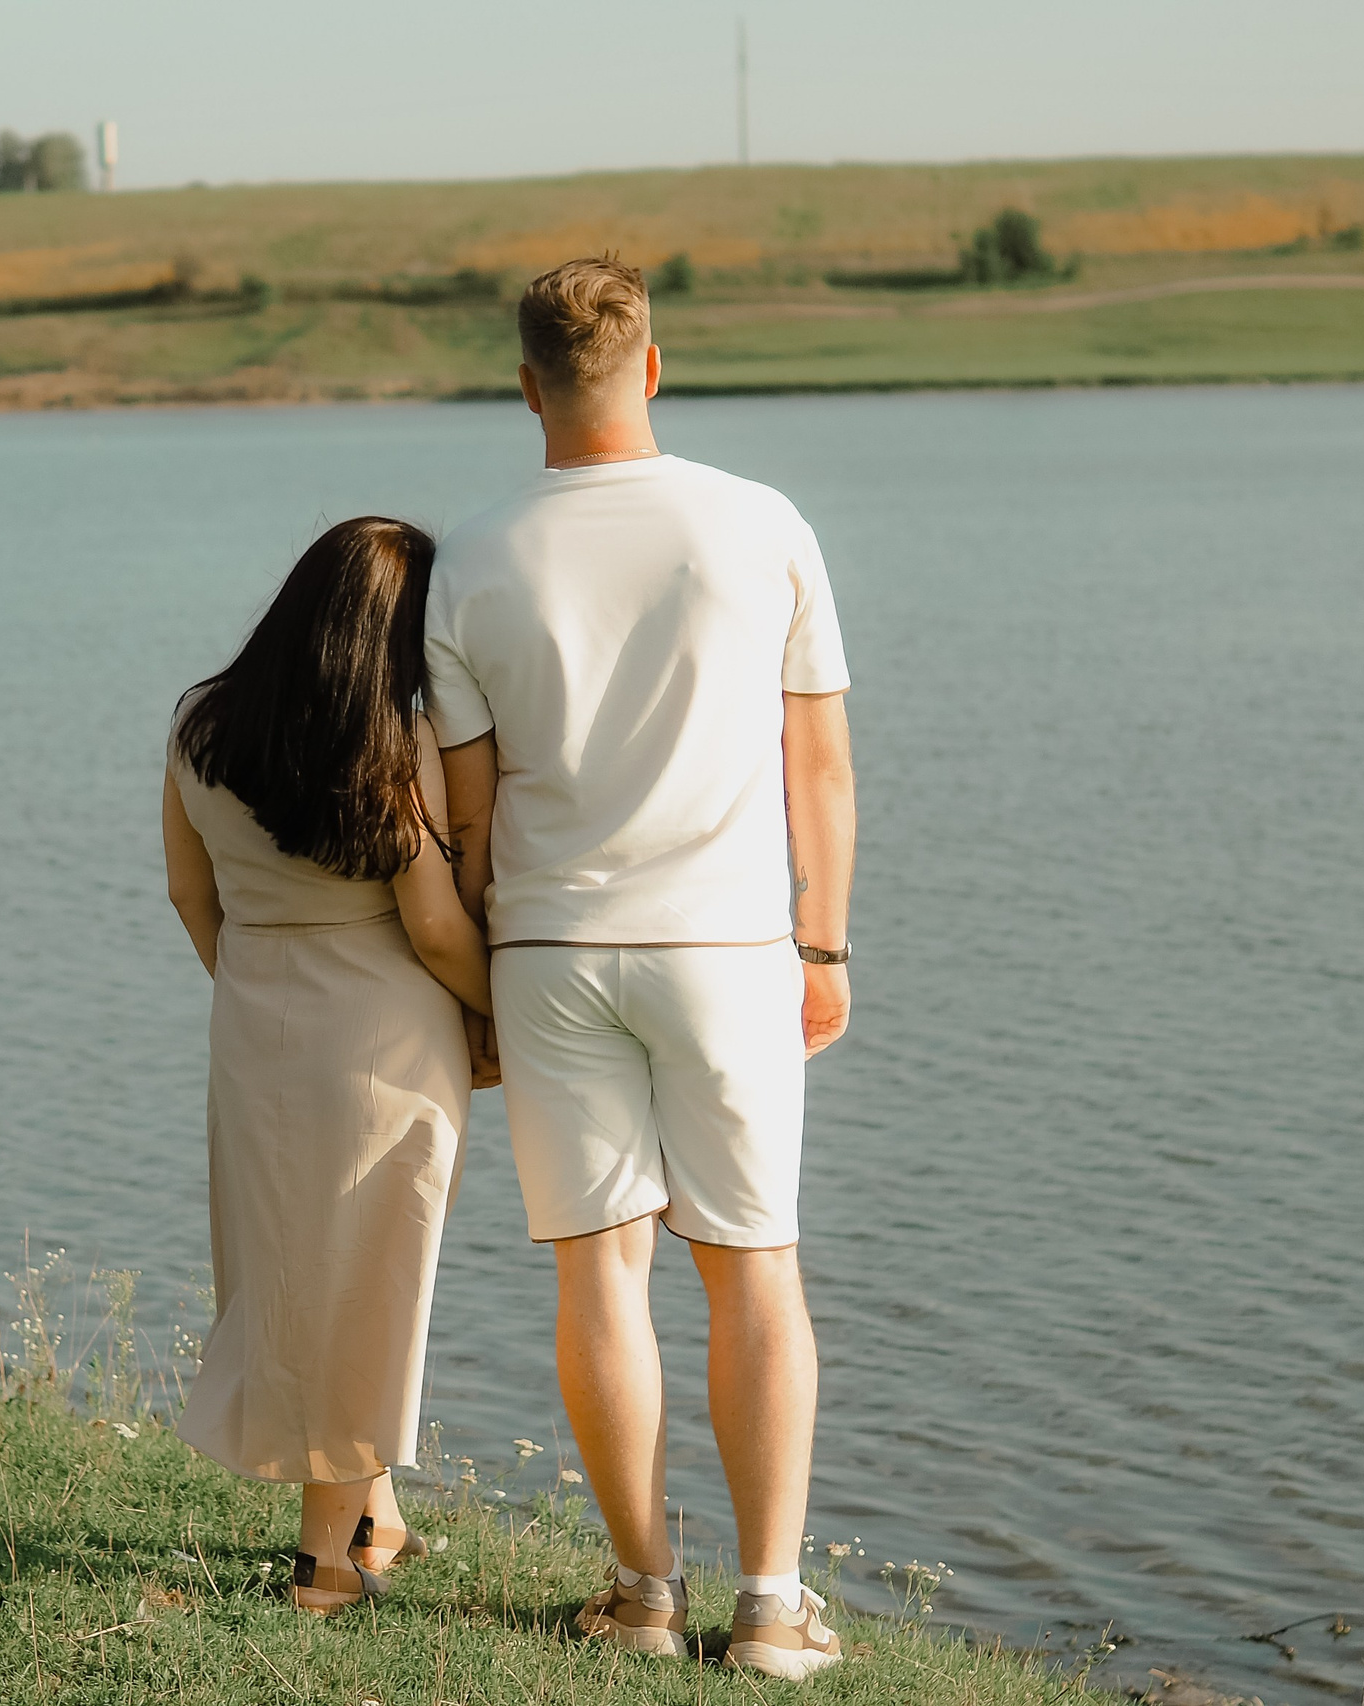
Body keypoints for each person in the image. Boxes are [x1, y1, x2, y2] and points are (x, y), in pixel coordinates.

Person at [425, 257, 859, 1677]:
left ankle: (641, 1594)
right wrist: (827, 937)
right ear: (654, 367)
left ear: (526, 386)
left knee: (601, 1269)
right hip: (733, 948)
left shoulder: (472, 555)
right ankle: (775, 1611)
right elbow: (821, 763)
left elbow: (470, 815)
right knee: (754, 1265)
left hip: (551, 950)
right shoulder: (762, 523)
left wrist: (483, 983)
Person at [162, 516, 498, 1614]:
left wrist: (249, 982)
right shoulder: (393, 749)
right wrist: (512, 1018)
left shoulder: (198, 723)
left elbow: (188, 891)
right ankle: (322, 1565)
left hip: (254, 1019)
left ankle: (372, 1511)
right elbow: (440, 930)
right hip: (386, 1038)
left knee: (291, 1276)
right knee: (368, 1288)